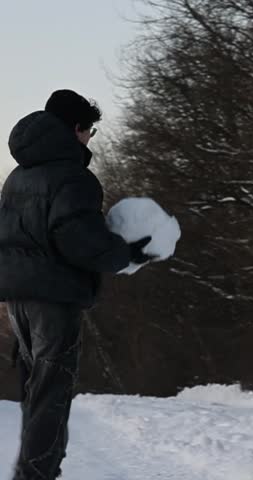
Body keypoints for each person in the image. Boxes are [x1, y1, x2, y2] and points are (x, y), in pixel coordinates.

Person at [0, 90, 155, 480]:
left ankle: (33, 472)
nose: (90, 139)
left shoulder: (18, 175)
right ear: (76, 128)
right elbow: (77, 238)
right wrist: (126, 255)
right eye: (90, 130)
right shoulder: (73, 175)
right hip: (54, 296)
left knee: (37, 390)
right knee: (52, 394)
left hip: (17, 297)